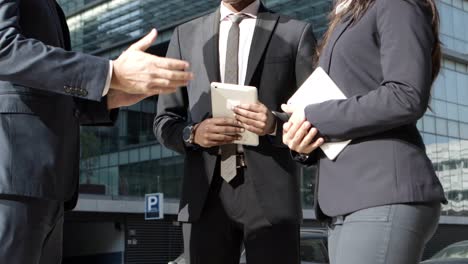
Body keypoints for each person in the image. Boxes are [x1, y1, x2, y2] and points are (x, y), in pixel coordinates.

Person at [0, 1, 193, 263]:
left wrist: (108, 97)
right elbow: (4, 47)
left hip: (47, 186)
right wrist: (108, 73)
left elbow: (41, 92)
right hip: (13, 177)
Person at [282, 0, 447, 263]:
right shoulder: (346, 17)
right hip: (345, 200)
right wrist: (304, 140)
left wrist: (315, 116)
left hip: (382, 190)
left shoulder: (395, 4)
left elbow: (406, 95)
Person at [154, 0, 316, 263]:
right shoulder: (185, 36)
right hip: (204, 195)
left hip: (271, 196)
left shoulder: (295, 33)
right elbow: (164, 120)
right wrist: (193, 133)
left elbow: (314, 117)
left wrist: (275, 124)